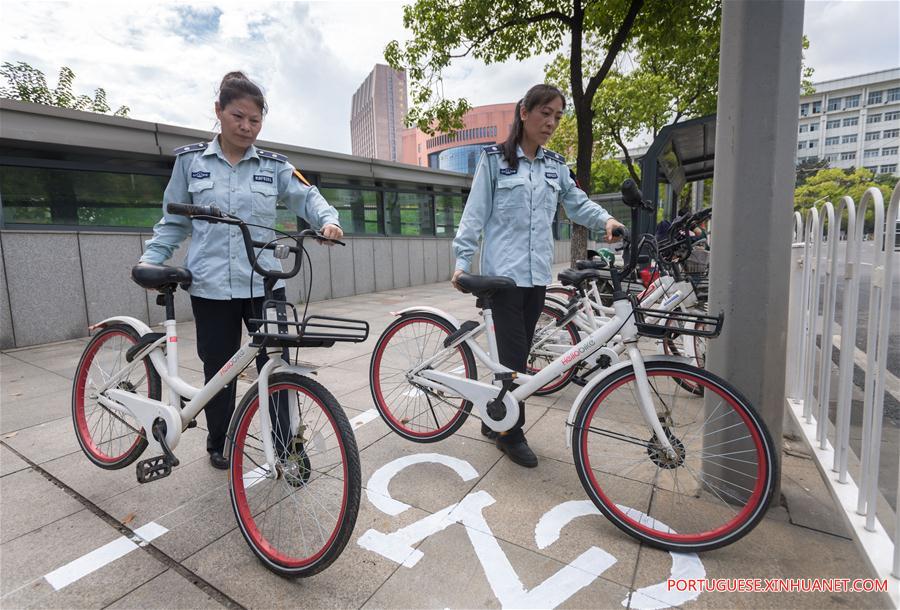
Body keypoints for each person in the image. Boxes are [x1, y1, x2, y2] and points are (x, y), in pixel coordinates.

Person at [138, 72, 343, 469]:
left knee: (278, 362)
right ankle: (220, 441)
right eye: (238, 117)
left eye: (255, 120)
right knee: (220, 369)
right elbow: (174, 222)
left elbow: (308, 197)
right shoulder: (190, 162)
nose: (247, 127)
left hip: (264, 283)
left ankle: (285, 445)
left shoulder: (274, 166)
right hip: (210, 286)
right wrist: (152, 260)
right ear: (218, 112)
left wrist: (328, 221)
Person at [451, 84, 625, 468]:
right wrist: (461, 262)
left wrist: (606, 219)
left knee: (517, 353)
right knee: (513, 358)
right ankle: (511, 432)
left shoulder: (555, 166)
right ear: (524, 112)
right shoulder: (495, 160)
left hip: (536, 278)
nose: (551, 122)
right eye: (545, 113)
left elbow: (576, 203)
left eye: (558, 116)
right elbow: (474, 214)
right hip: (503, 279)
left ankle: (493, 416)